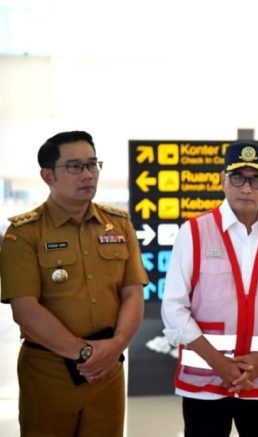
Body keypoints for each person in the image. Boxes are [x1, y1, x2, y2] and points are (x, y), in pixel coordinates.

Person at [0, 130, 147, 436]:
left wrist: (116, 346)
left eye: (93, 164)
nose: (88, 174)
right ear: (47, 176)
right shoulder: (24, 233)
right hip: (49, 370)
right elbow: (24, 308)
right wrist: (85, 353)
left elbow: (132, 292)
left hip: (109, 368)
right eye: (74, 166)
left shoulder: (119, 225)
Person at [161, 141, 258, 437]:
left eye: (257, 179)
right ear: (222, 180)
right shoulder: (194, 232)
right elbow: (173, 308)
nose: (246, 188)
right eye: (238, 177)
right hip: (205, 382)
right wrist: (219, 363)